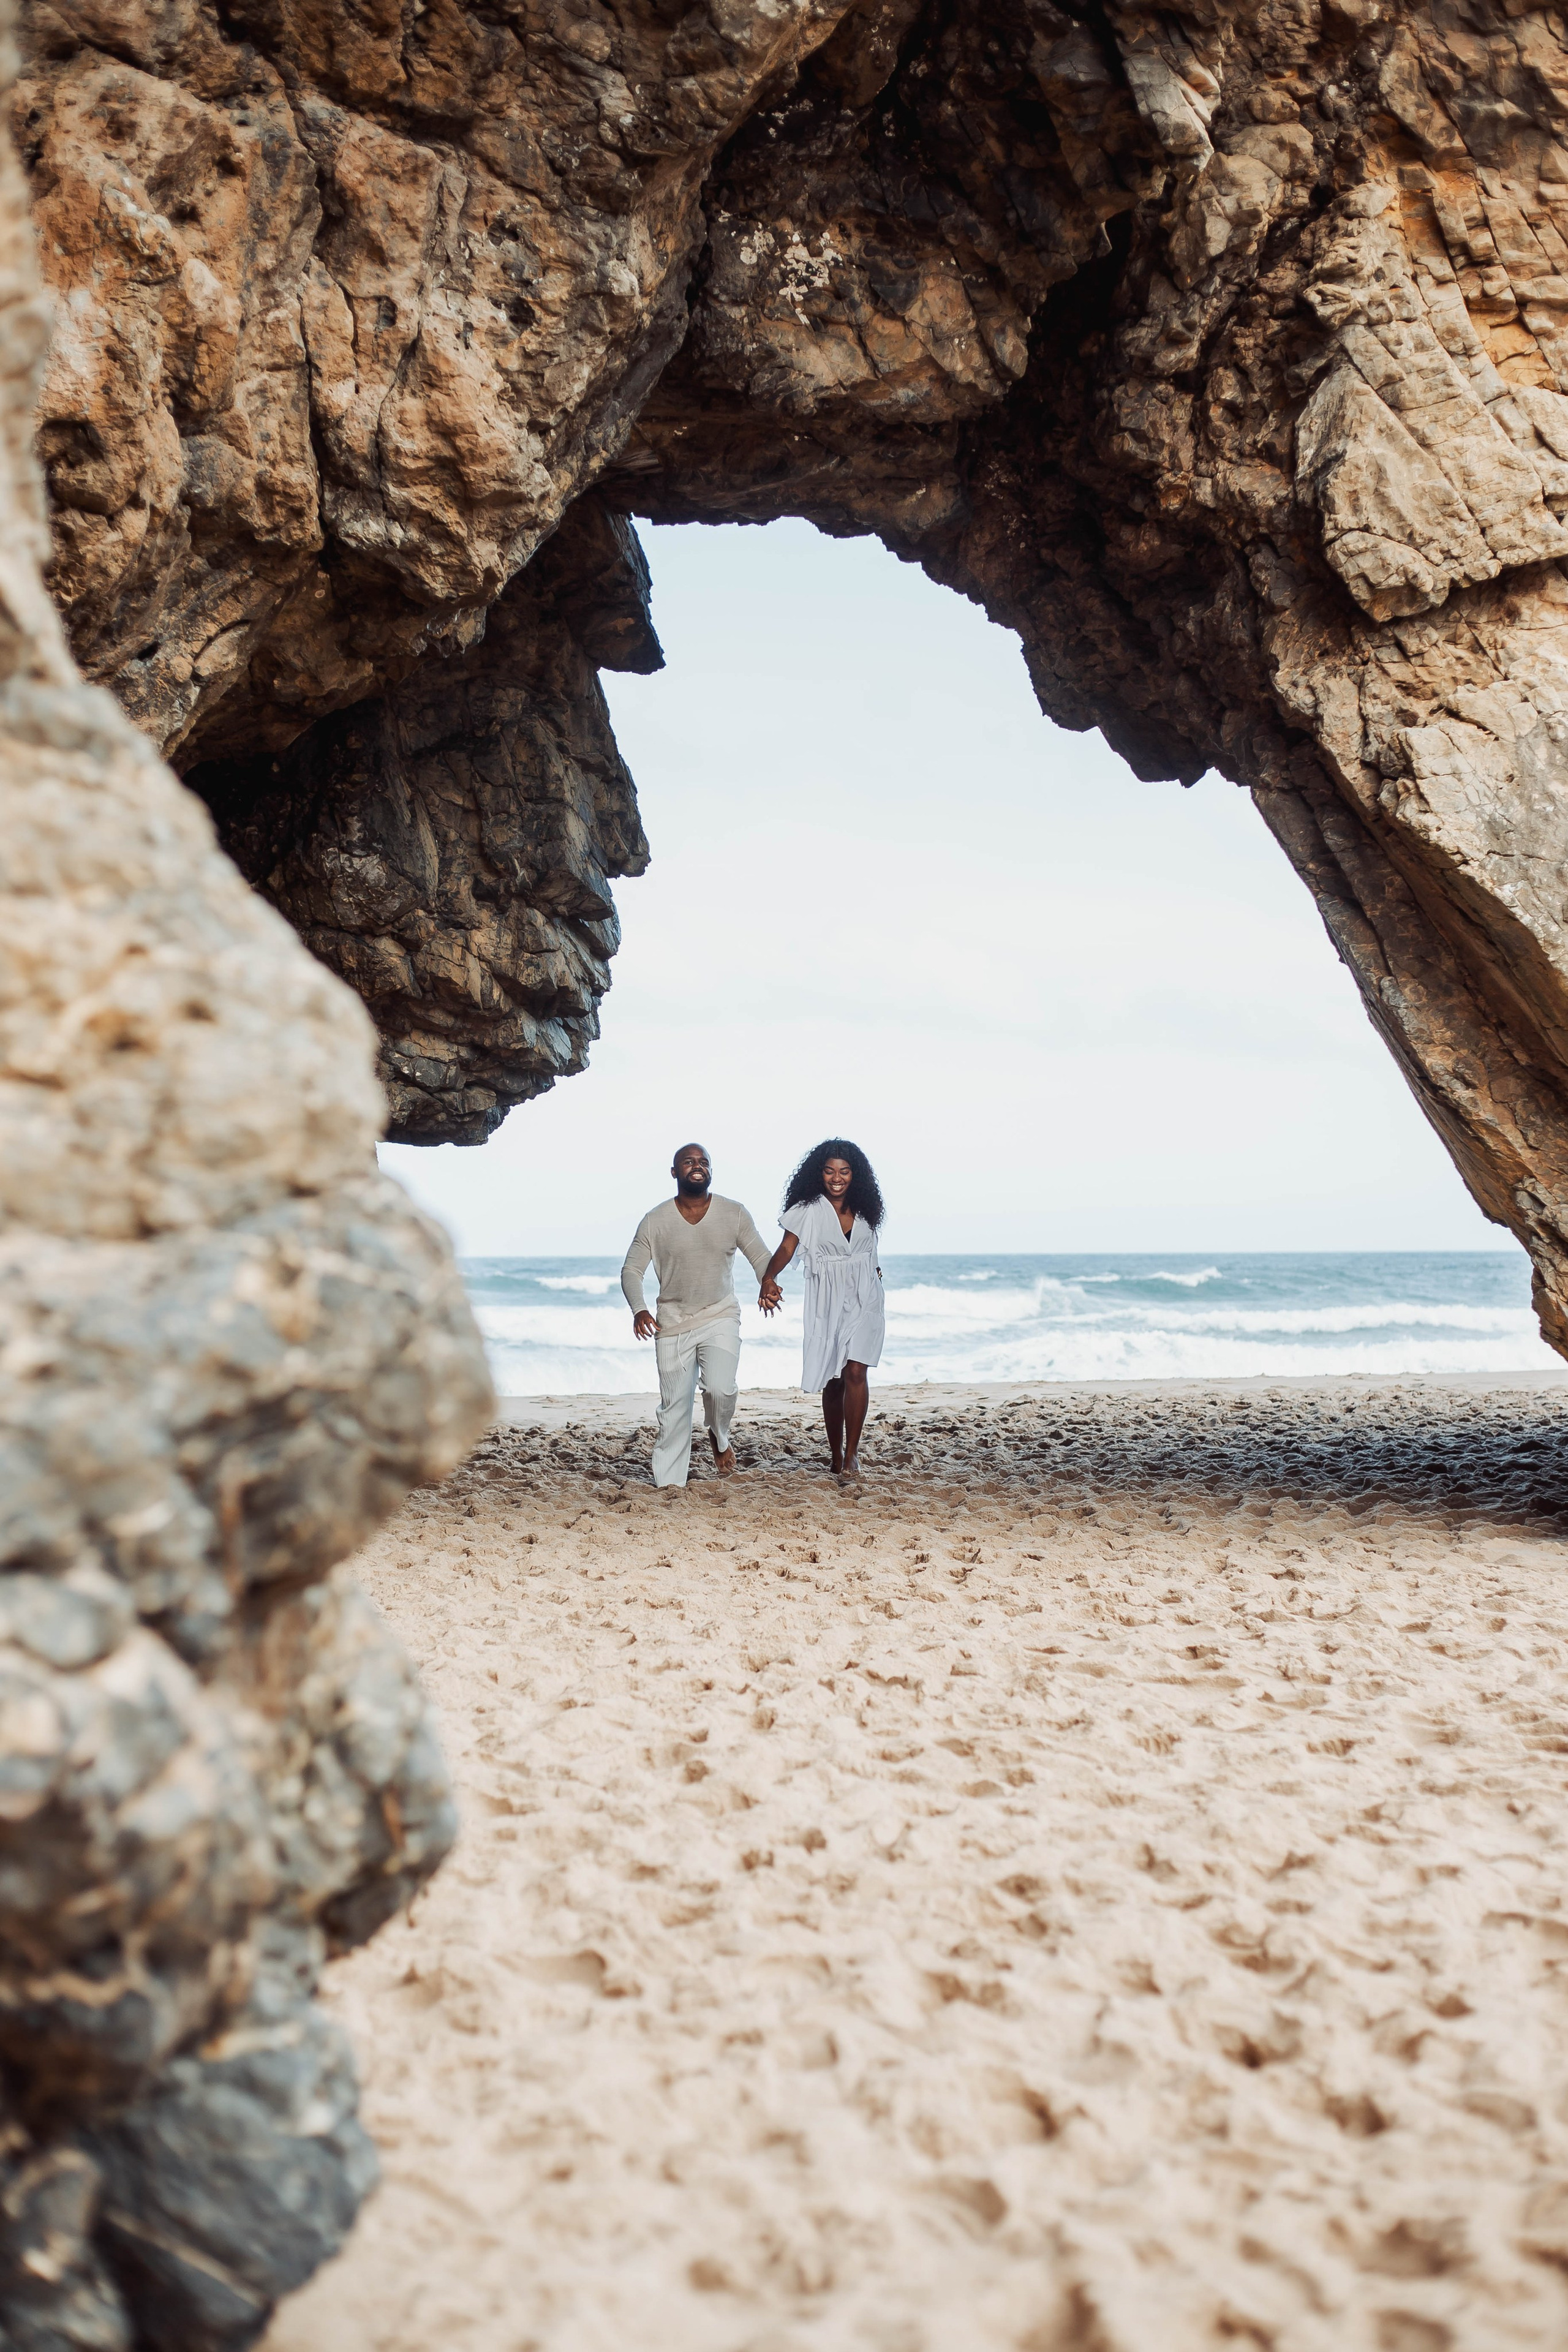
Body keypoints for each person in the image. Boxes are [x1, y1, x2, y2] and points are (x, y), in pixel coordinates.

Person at [620, 1142, 773, 1488]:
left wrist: (768, 1282)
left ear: (710, 1171)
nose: (697, 1165)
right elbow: (631, 1270)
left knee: (721, 1389)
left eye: (703, 1161)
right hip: (672, 1324)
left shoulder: (734, 1213)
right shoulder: (655, 1221)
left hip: (720, 1315)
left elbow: (761, 1257)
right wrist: (639, 1308)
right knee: (674, 1409)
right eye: (688, 1162)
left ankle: (719, 1436)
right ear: (675, 1173)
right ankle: (669, 1487)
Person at [759, 1139, 886, 1480]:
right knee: (834, 1379)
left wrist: (874, 1270)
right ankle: (835, 1452)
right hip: (827, 1298)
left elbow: (867, 1250)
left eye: (844, 1171)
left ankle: (852, 1456)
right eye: (830, 1171)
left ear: (854, 1175)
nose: (837, 1178)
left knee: (857, 1371)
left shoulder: (867, 1208)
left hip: (866, 1295)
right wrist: (769, 1277)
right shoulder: (808, 1209)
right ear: (820, 1173)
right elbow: (787, 1249)